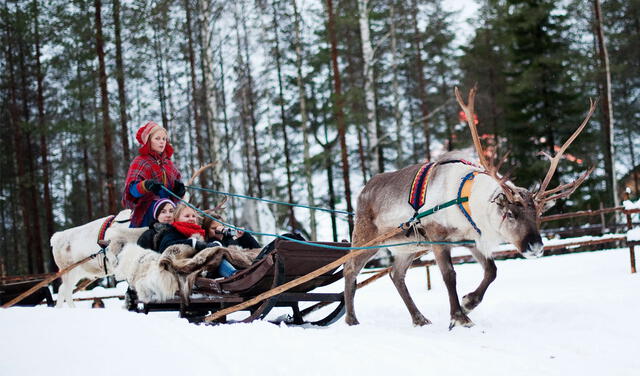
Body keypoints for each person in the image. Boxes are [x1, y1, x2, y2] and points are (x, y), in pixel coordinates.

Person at [122, 121, 186, 228]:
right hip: (148, 213)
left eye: (164, 139)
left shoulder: (169, 164)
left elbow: (175, 195)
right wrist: (145, 186)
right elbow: (132, 191)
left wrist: (179, 191)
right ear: (148, 141)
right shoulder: (140, 161)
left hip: (170, 214)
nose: (162, 142)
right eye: (157, 139)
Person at [155, 204, 237, 278]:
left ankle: (237, 274)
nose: (191, 219)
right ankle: (234, 276)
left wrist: (215, 243)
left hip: (199, 264)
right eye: (187, 216)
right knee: (213, 258)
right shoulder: (172, 231)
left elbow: (207, 244)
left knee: (218, 255)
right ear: (176, 218)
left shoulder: (199, 232)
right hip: (181, 266)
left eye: (193, 216)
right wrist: (192, 243)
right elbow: (165, 246)